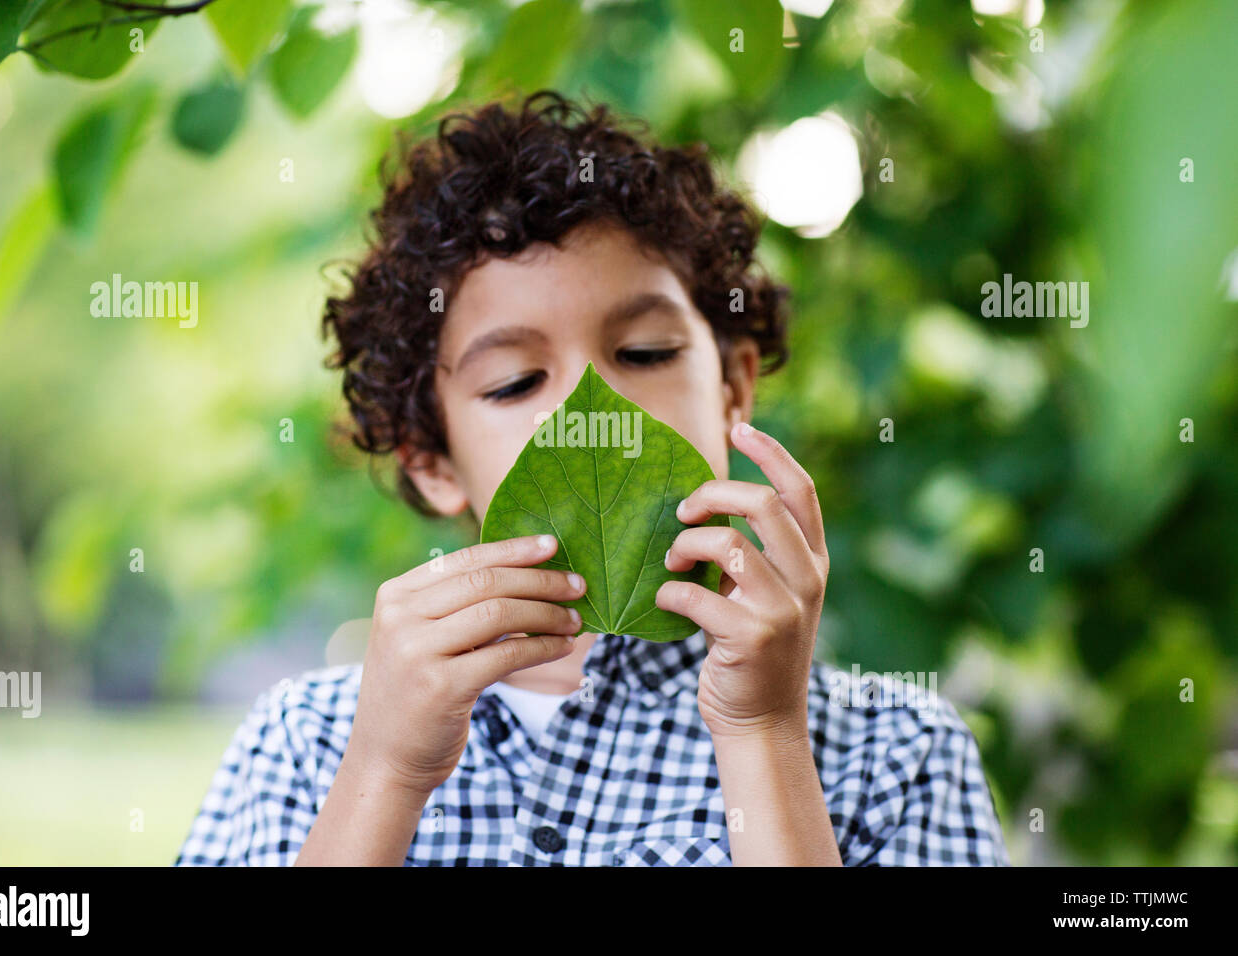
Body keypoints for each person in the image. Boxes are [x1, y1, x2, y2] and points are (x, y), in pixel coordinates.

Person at [174, 90, 1009, 866]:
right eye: (513, 382)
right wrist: (386, 773)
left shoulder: (895, 749)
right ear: (430, 462)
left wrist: (763, 732)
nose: (589, 406)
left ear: (734, 386)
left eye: (643, 353)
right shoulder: (311, 740)